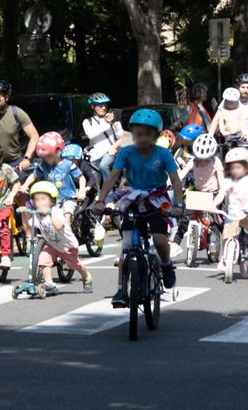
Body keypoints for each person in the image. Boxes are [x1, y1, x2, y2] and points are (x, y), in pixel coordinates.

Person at [94, 108, 186, 302]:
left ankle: (166, 265)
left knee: (160, 240)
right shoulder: (126, 152)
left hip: (157, 200)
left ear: (156, 135)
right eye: (138, 133)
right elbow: (112, 176)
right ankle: (121, 288)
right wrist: (101, 201)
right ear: (132, 134)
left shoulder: (163, 154)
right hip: (133, 198)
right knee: (126, 246)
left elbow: (176, 181)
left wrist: (178, 204)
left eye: (148, 133)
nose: (143, 137)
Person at [27, 181, 93, 296]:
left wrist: (49, 213)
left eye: (43, 199)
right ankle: (49, 283)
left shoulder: (56, 211)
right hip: (51, 244)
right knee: (43, 260)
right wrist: (26, 212)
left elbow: (58, 226)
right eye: (36, 200)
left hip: (66, 245)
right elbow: (30, 225)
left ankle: (86, 276)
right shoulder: (37, 214)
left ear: (52, 201)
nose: (39, 202)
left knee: (75, 265)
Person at [20, 131, 86, 222]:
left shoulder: (68, 164)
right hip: (52, 200)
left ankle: (68, 235)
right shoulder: (44, 166)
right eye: (44, 157)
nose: (46, 159)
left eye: (48, 156)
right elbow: (33, 176)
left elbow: (81, 178)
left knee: (67, 216)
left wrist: (82, 191)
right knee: (47, 219)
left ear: (58, 151)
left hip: (68, 197)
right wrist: (25, 185)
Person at [218, 147, 248, 271]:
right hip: (233, 214)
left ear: (247, 167)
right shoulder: (229, 181)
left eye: (238, 167)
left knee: (242, 217)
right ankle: (224, 257)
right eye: (232, 168)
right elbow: (221, 194)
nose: (235, 171)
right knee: (226, 235)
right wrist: (213, 204)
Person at [83, 92, 122, 177]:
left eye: (105, 105)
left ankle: (110, 190)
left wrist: (116, 125)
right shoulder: (88, 121)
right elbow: (91, 135)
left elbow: (121, 136)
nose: (104, 108)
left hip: (111, 153)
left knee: (103, 166)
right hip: (95, 156)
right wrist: (105, 122)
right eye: (100, 105)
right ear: (93, 106)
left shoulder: (112, 118)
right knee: (96, 184)